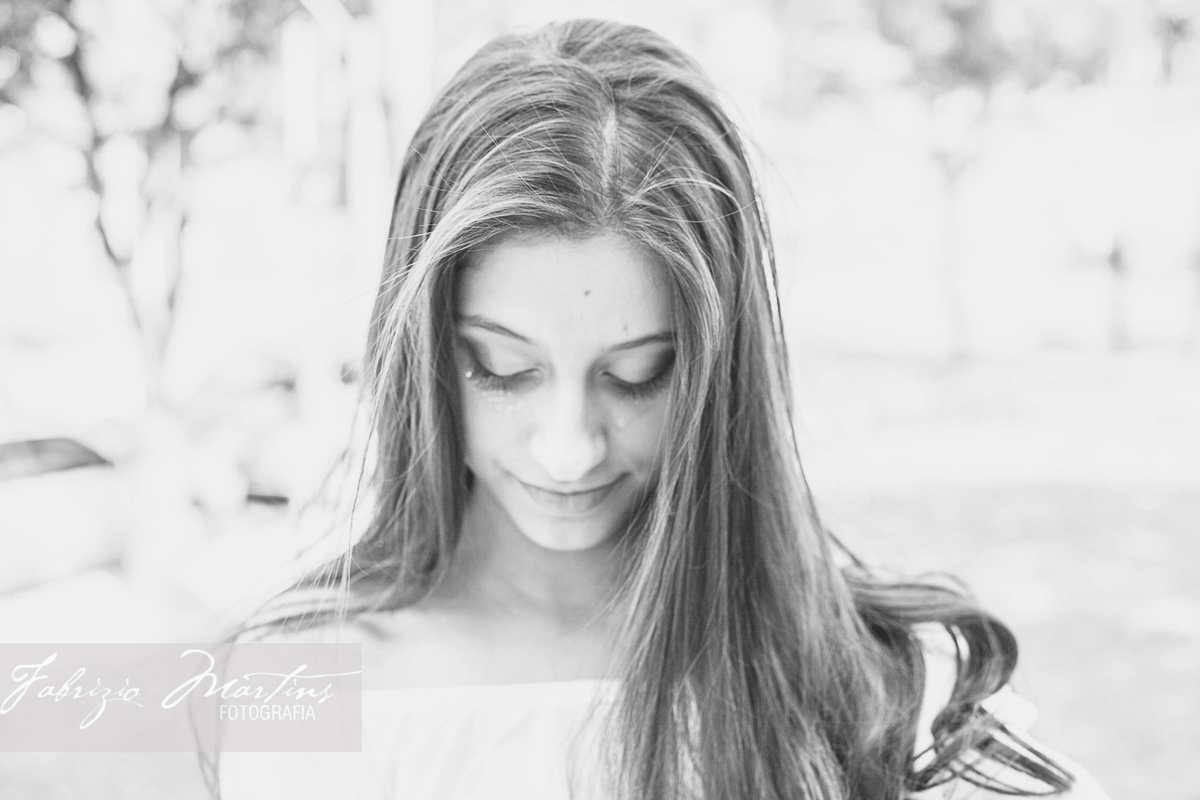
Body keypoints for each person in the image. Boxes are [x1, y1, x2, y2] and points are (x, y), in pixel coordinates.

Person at [211, 18, 1111, 800]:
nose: (569, 448)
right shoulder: (299, 683)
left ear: (724, 372)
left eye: (639, 375)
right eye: (502, 368)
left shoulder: (881, 683)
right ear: (422, 355)